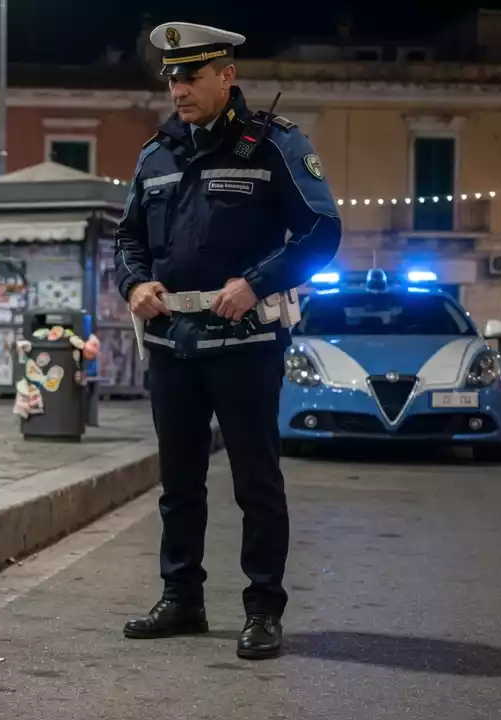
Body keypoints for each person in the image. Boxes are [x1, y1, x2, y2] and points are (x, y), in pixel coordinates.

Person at [113, 22, 341, 660]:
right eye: (172, 77)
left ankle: (264, 607)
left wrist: (257, 281)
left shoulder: (274, 146)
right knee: (178, 482)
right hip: (171, 346)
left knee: (255, 483)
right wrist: (134, 284)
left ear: (226, 76)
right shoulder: (156, 153)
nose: (178, 88)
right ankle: (181, 597)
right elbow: (127, 237)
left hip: (244, 343)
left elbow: (321, 232)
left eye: (190, 76)